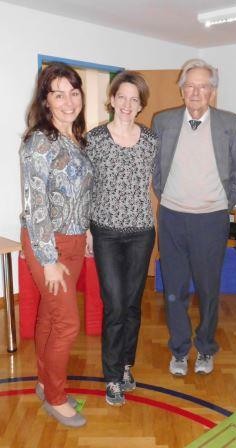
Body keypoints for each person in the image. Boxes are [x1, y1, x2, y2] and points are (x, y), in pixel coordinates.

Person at [152, 59, 236, 376]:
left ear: (213, 90)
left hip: (211, 219)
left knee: (208, 289)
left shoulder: (231, 124)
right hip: (172, 218)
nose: (196, 91)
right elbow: (155, 169)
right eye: (190, 85)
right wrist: (168, 195)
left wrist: (223, 202)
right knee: (174, 289)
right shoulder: (162, 121)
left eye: (203, 85)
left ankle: (206, 348)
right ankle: (179, 350)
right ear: (182, 90)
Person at [20, 62, 93, 426]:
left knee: (51, 317)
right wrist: (48, 259)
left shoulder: (77, 139)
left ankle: (44, 382)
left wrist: (88, 231)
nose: (68, 101)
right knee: (67, 324)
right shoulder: (39, 142)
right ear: (46, 100)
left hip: (76, 241)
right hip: (47, 243)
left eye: (74, 92)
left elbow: (80, 193)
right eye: (59, 94)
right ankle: (56, 396)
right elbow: (35, 206)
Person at [86, 71, 157, 406]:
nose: (128, 104)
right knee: (114, 306)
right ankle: (113, 377)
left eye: (135, 99)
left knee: (131, 304)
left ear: (141, 105)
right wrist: (87, 229)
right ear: (112, 99)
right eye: (122, 97)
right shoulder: (95, 139)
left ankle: (127, 364)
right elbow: (86, 187)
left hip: (141, 232)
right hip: (106, 233)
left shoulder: (151, 141)